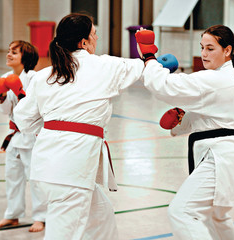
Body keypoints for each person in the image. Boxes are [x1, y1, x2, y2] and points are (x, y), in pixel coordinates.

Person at [13, 13, 145, 240]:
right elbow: (142, 67)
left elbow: (23, 119)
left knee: (102, 219)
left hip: (51, 166)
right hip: (71, 170)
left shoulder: (44, 76)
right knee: (63, 234)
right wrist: (152, 54)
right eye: (94, 34)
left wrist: (52, 126)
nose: (97, 38)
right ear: (83, 42)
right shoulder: (103, 66)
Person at [136, 25, 234, 239]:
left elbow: (165, 87)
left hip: (221, 158)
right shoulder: (221, 77)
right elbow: (207, 119)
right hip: (226, 153)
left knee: (182, 212)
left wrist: (149, 57)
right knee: (217, 217)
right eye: (202, 48)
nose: (204, 54)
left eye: (210, 48)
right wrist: (182, 121)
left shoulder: (217, 80)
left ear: (227, 51)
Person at [0, 40, 46, 232]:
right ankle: (12, 215)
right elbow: (5, 110)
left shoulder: (35, 78)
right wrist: (1, 96)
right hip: (14, 136)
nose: (9, 54)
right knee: (12, 176)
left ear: (26, 57)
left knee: (36, 178)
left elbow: (37, 109)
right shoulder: (5, 77)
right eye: (8, 51)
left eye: (14, 52)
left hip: (33, 136)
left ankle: (41, 217)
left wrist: (20, 93)